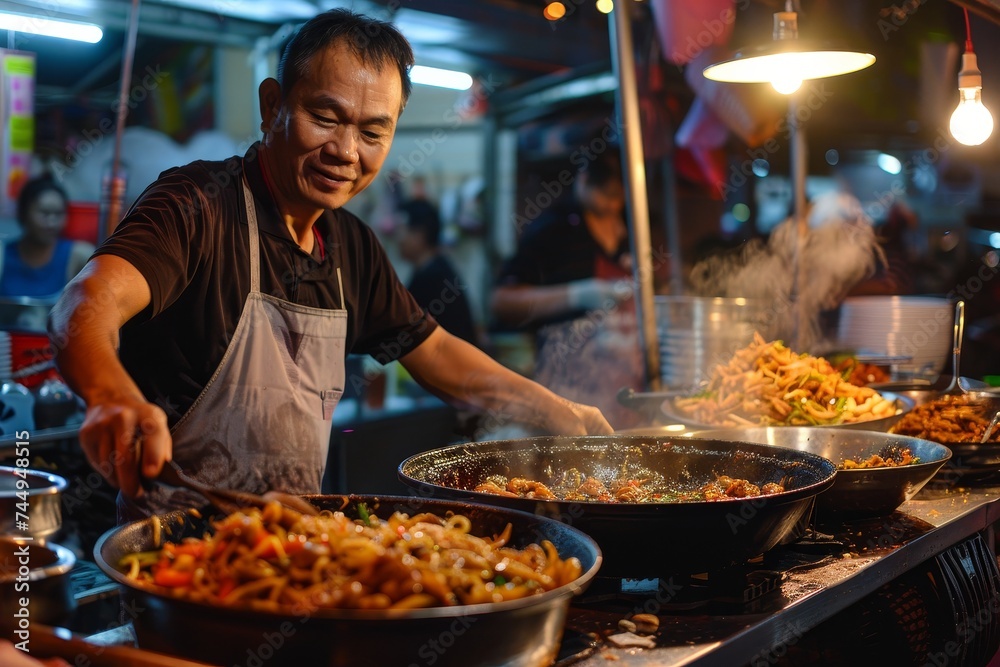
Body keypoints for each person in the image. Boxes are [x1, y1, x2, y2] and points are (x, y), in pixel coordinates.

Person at [48, 9, 611, 522]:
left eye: (372, 132)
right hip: (175, 560)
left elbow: (434, 351)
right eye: (325, 117)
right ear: (273, 106)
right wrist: (111, 396)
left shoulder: (351, 245)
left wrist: (561, 413)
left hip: (297, 553)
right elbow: (87, 302)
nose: (346, 151)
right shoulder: (200, 202)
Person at [491, 149, 644, 429]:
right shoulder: (553, 230)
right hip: (567, 390)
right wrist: (577, 294)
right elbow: (503, 301)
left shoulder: (636, 231)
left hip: (627, 391)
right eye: (606, 195)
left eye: (619, 197)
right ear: (583, 181)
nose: (613, 205)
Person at [398, 198, 481, 347]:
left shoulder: (433, 278)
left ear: (420, 235)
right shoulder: (434, 269)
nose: (399, 239)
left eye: (403, 230)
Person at [0, 176, 94, 299]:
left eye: (58, 214)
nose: (52, 223)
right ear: (23, 213)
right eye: (44, 213)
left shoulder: (78, 256)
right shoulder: (2, 255)